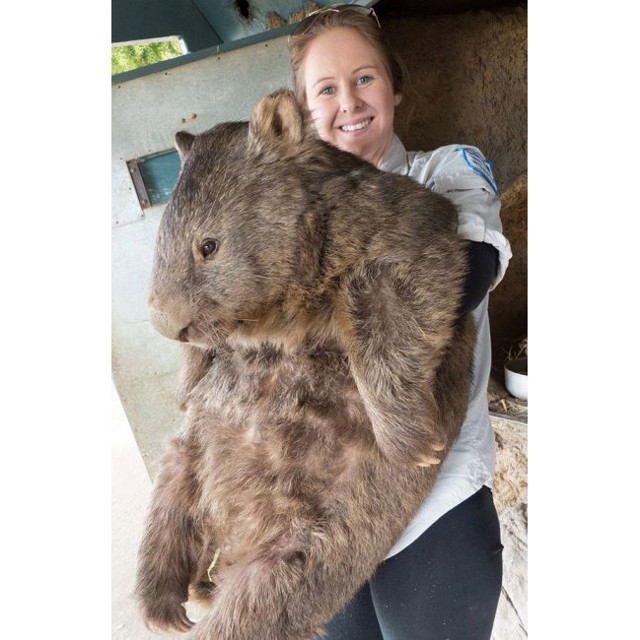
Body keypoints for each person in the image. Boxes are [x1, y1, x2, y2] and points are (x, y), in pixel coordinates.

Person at [288, 5, 513, 639]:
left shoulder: (446, 171)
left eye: (364, 78)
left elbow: (468, 270)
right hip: (326, 522)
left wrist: (316, 322)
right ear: (304, 112)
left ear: (394, 85)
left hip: (433, 508)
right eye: (326, 89)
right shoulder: (294, 216)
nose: (349, 102)